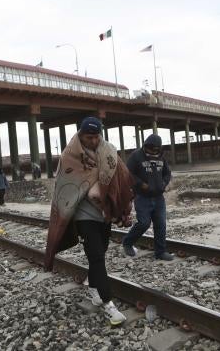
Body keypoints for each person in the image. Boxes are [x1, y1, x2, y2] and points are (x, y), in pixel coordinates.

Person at [44, 117, 134, 326]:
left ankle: (93, 289)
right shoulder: (69, 156)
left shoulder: (109, 150)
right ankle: (108, 304)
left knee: (100, 252)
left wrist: (120, 205)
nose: (93, 141)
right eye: (88, 137)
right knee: (96, 258)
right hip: (83, 215)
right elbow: (65, 186)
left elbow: (121, 177)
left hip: (104, 214)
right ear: (81, 134)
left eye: (96, 136)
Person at [122, 134, 173, 261]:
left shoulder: (161, 157)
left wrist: (164, 183)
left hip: (158, 197)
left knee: (161, 224)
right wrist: (141, 184)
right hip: (142, 197)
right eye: (150, 149)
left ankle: (160, 252)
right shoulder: (136, 156)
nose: (152, 152)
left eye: (156, 150)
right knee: (144, 223)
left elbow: (167, 173)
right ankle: (128, 242)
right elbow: (128, 174)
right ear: (146, 146)